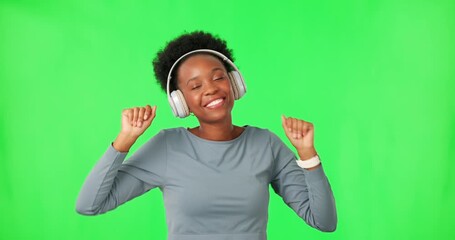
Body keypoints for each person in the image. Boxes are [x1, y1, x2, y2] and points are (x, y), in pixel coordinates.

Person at [76, 31, 337, 240]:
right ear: (181, 102)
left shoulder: (265, 144)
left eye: (218, 77)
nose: (211, 89)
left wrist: (308, 155)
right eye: (196, 86)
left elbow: (323, 221)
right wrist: (126, 139)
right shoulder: (168, 146)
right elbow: (89, 205)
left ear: (234, 83)